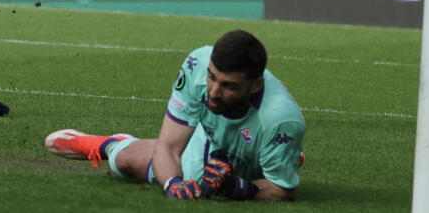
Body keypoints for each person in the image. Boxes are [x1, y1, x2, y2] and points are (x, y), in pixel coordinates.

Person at [45, 29, 303, 201]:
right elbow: (169, 148)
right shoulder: (196, 65)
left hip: (261, 137)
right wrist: (171, 184)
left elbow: (283, 189)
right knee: (131, 162)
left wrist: (234, 187)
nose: (213, 91)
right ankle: (108, 145)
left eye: (229, 85)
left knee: (205, 181)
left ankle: (274, 152)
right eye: (212, 77)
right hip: (210, 135)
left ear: (255, 85)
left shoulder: (281, 120)